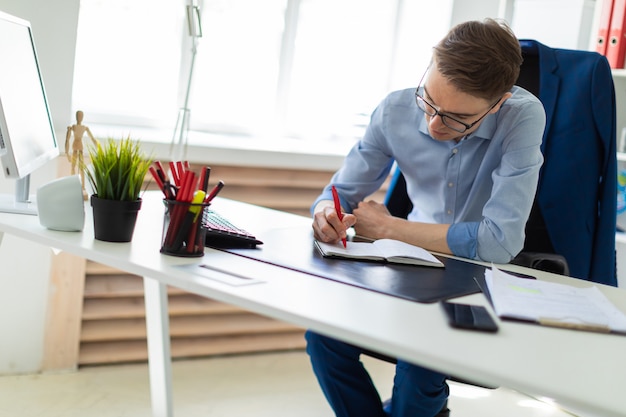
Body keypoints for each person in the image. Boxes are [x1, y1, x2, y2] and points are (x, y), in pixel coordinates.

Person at [306, 18, 546, 417]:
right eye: (429, 101)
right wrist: (325, 214)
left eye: (455, 118)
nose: (433, 124)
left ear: (498, 102)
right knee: (323, 337)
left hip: (479, 276)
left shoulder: (521, 116)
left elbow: (499, 242)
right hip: (407, 266)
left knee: (421, 361)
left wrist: (387, 227)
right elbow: (339, 195)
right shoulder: (394, 110)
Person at [65, 110, 98, 198]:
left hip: (80, 147)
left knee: (82, 167)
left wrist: (97, 146)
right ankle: (72, 185)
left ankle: (82, 186)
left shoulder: (84, 127)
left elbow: (92, 138)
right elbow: (67, 139)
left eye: (81, 116)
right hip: (75, 146)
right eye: (78, 116)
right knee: (73, 166)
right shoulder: (73, 127)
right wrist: (67, 153)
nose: (79, 117)